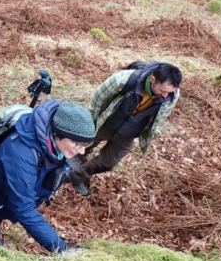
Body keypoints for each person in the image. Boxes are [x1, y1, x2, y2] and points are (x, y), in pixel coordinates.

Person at [0, 101, 96, 252]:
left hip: (8, 193)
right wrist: (60, 247)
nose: (82, 151)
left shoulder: (51, 140)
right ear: (57, 134)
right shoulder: (22, 152)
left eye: (84, 145)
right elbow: (23, 207)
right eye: (77, 144)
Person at [69, 62, 182, 197]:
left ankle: (77, 177)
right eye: (162, 90)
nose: (165, 95)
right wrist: (92, 119)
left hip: (129, 132)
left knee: (108, 162)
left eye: (169, 92)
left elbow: (161, 115)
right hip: (107, 122)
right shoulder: (124, 79)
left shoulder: (171, 96)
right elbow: (98, 97)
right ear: (153, 80)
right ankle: (64, 166)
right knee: (82, 145)